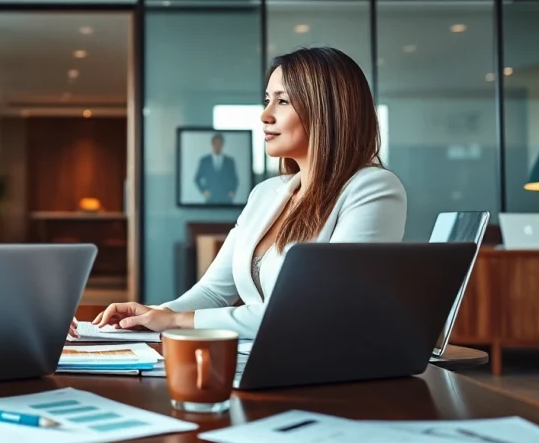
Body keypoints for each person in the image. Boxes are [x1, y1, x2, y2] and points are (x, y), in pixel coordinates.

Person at [83, 46, 407, 340]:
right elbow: (212, 292)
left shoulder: (372, 189)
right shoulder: (266, 194)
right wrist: (158, 314)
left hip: (327, 370)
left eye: (282, 101)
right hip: (254, 361)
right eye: (267, 100)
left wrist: (178, 320)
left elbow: (321, 309)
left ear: (327, 110)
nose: (265, 115)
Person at [193, 133, 239, 204]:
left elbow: (235, 179)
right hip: (211, 198)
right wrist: (203, 191)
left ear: (223, 145)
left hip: (226, 199)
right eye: (215, 144)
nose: (217, 146)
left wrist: (232, 191)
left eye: (220, 144)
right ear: (212, 144)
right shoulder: (204, 161)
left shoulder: (229, 161)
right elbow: (197, 179)